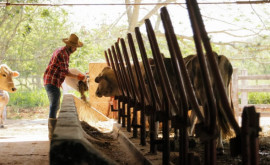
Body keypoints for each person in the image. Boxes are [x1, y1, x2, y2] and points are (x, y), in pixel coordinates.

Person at [43, 33, 86, 140]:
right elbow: (65, 72)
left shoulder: (61, 51)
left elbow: (58, 69)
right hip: (51, 81)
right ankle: (52, 134)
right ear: (71, 46)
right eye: (75, 47)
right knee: (54, 105)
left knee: (55, 104)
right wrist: (78, 77)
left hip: (52, 80)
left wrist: (60, 83)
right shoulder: (64, 54)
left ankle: (53, 131)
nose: (76, 49)